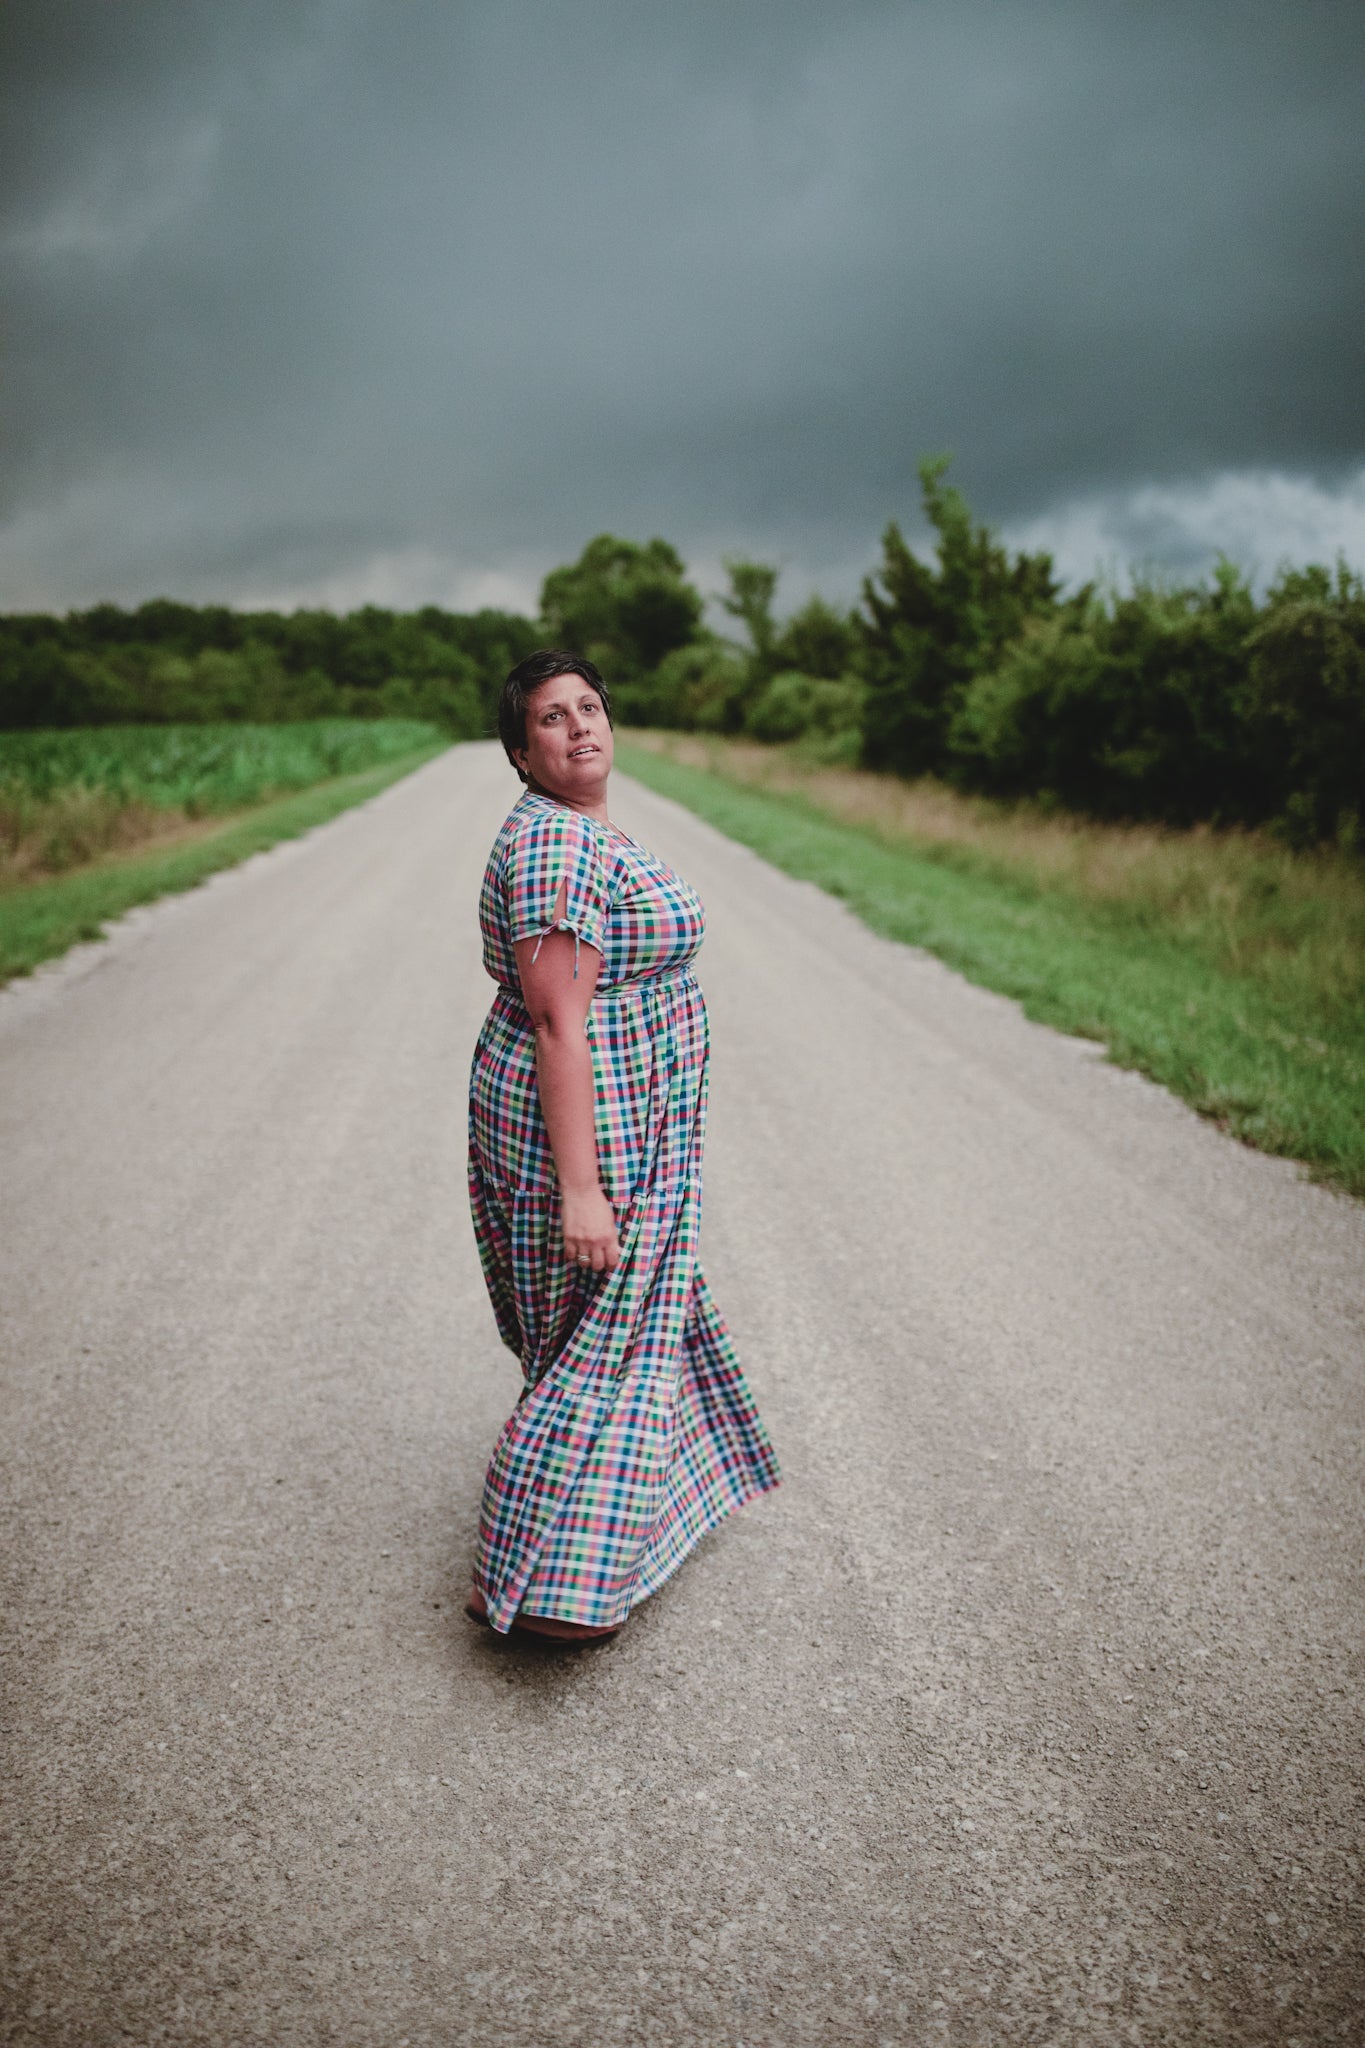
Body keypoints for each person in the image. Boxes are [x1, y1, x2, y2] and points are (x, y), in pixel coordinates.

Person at [465, 649, 780, 1641]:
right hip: (591, 1128)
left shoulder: (583, 828)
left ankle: (569, 1548)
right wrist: (583, 1190)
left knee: (609, 1326)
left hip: (632, 1115)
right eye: (552, 718)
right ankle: (539, 1579)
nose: (580, 727)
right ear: (520, 751)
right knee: (600, 1335)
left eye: (590, 707)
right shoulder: (558, 848)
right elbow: (562, 1024)